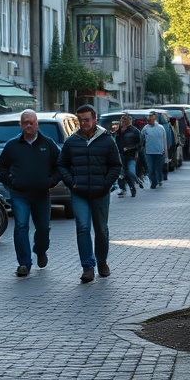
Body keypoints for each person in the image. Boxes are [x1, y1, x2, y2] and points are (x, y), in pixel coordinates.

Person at [57, 104, 121, 283]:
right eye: (80, 120)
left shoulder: (107, 140)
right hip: (80, 192)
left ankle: (102, 262)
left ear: (94, 119)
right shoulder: (71, 141)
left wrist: (106, 183)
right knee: (83, 227)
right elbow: (62, 165)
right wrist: (72, 183)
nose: (83, 123)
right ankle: (87, 266)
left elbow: (116, 165)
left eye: (86, 120)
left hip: (100, 192)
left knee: (101, 229)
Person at [0, 109, 60, 277]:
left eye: (32, 122)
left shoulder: (48, 144)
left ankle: (40, 250)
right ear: (20, 125)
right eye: (25, 122)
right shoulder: (12, 145)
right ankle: (24, 263)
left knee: (43, 228)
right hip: (19, 194)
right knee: (21, 226)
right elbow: (1, 166)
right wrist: (11, 182)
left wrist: (51, 181)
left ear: (37, 124)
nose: (29, 125)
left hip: (41, 194)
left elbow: (60, 165)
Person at [115, 113, 142, 198]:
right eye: (121, 120)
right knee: (121, 174)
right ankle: (124, 188)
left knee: (130, 171)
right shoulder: (118, 131)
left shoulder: (134, 131)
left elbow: (140, 144)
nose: (122, 122)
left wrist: (129, 148)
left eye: (124, 120)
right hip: (119, 155)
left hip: (130, 155)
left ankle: (136, 182)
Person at [140, 111, 168, 189]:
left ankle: (159, 179)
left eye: (151, 119)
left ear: (154, 119)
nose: (149, 121)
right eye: (148, 120)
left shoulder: (160, 128)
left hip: (159, 152)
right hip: (148, 152)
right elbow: (141, 138)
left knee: (158, 168)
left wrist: (165, 154)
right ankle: (153, 182)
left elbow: (164, 141)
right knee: (150, 168)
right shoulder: (145, 128)